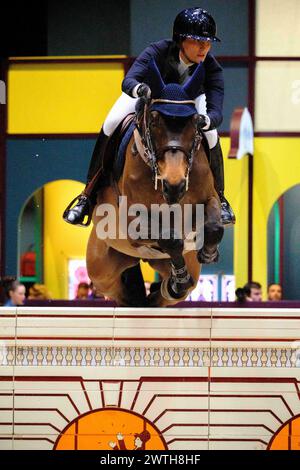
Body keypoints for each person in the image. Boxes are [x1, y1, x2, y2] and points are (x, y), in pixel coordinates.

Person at [63, 7, 235, 227]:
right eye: (197, 41)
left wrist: (208, 120)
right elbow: (128, 81)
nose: (204, 48)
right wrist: (140, 90)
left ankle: (220, 199)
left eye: (208, 42)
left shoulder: (212, 68)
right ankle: (87, 195)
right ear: (181, 39)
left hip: (191, 104)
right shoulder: (157, 51)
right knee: (112, 122)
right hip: (151, 96)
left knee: (211, 135)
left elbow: (216, 109)